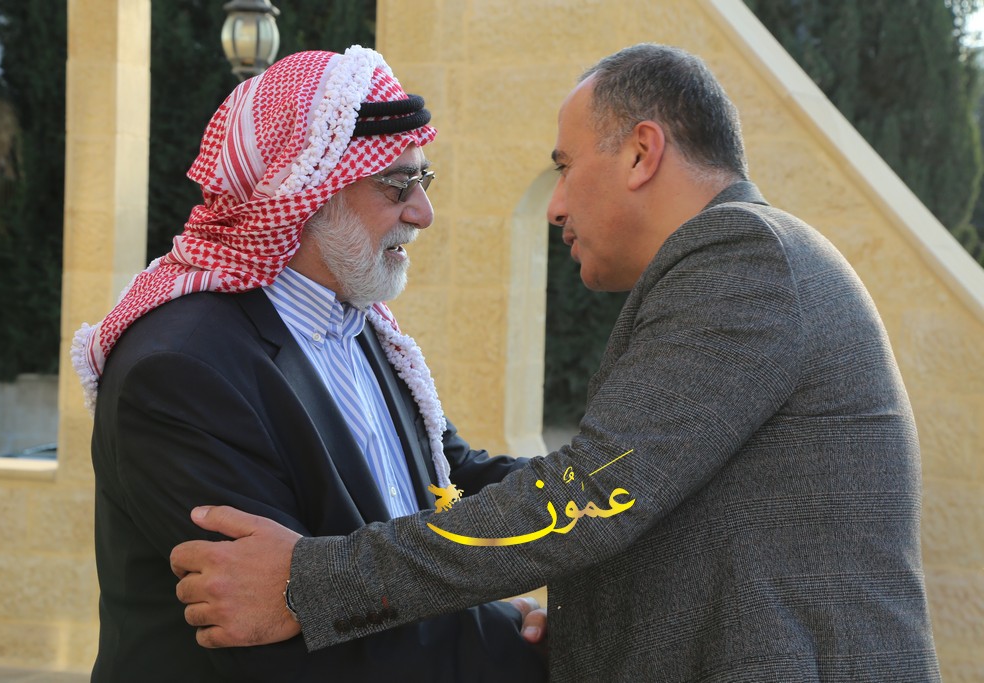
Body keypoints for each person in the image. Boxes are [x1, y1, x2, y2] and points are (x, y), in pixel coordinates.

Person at [170, 43, 943, 682]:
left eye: (565, 166)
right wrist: (577, 619)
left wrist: (313, 583)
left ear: (642, 152)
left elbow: (594, 492)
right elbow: (628, 494)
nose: (555, 205)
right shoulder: (747, 260)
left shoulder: (743, 255)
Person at [72, 46, 546, 683]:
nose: (422, 212)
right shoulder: (182, 370)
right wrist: (529, 645)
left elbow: (448, 477)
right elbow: (283, 632)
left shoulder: (358, 323)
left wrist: (609, 494)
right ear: (303, 191)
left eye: (423, 180)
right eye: (395, 184)